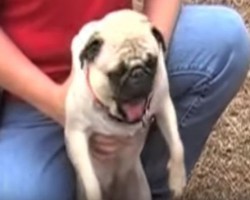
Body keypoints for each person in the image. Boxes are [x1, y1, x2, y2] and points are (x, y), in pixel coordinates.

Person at [0, 0, 249, 199]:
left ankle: (143, 181)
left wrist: (150, 56)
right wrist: (56, 101)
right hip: (31, 99)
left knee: (226, 43)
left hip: (121, 57)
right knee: (18, 191)